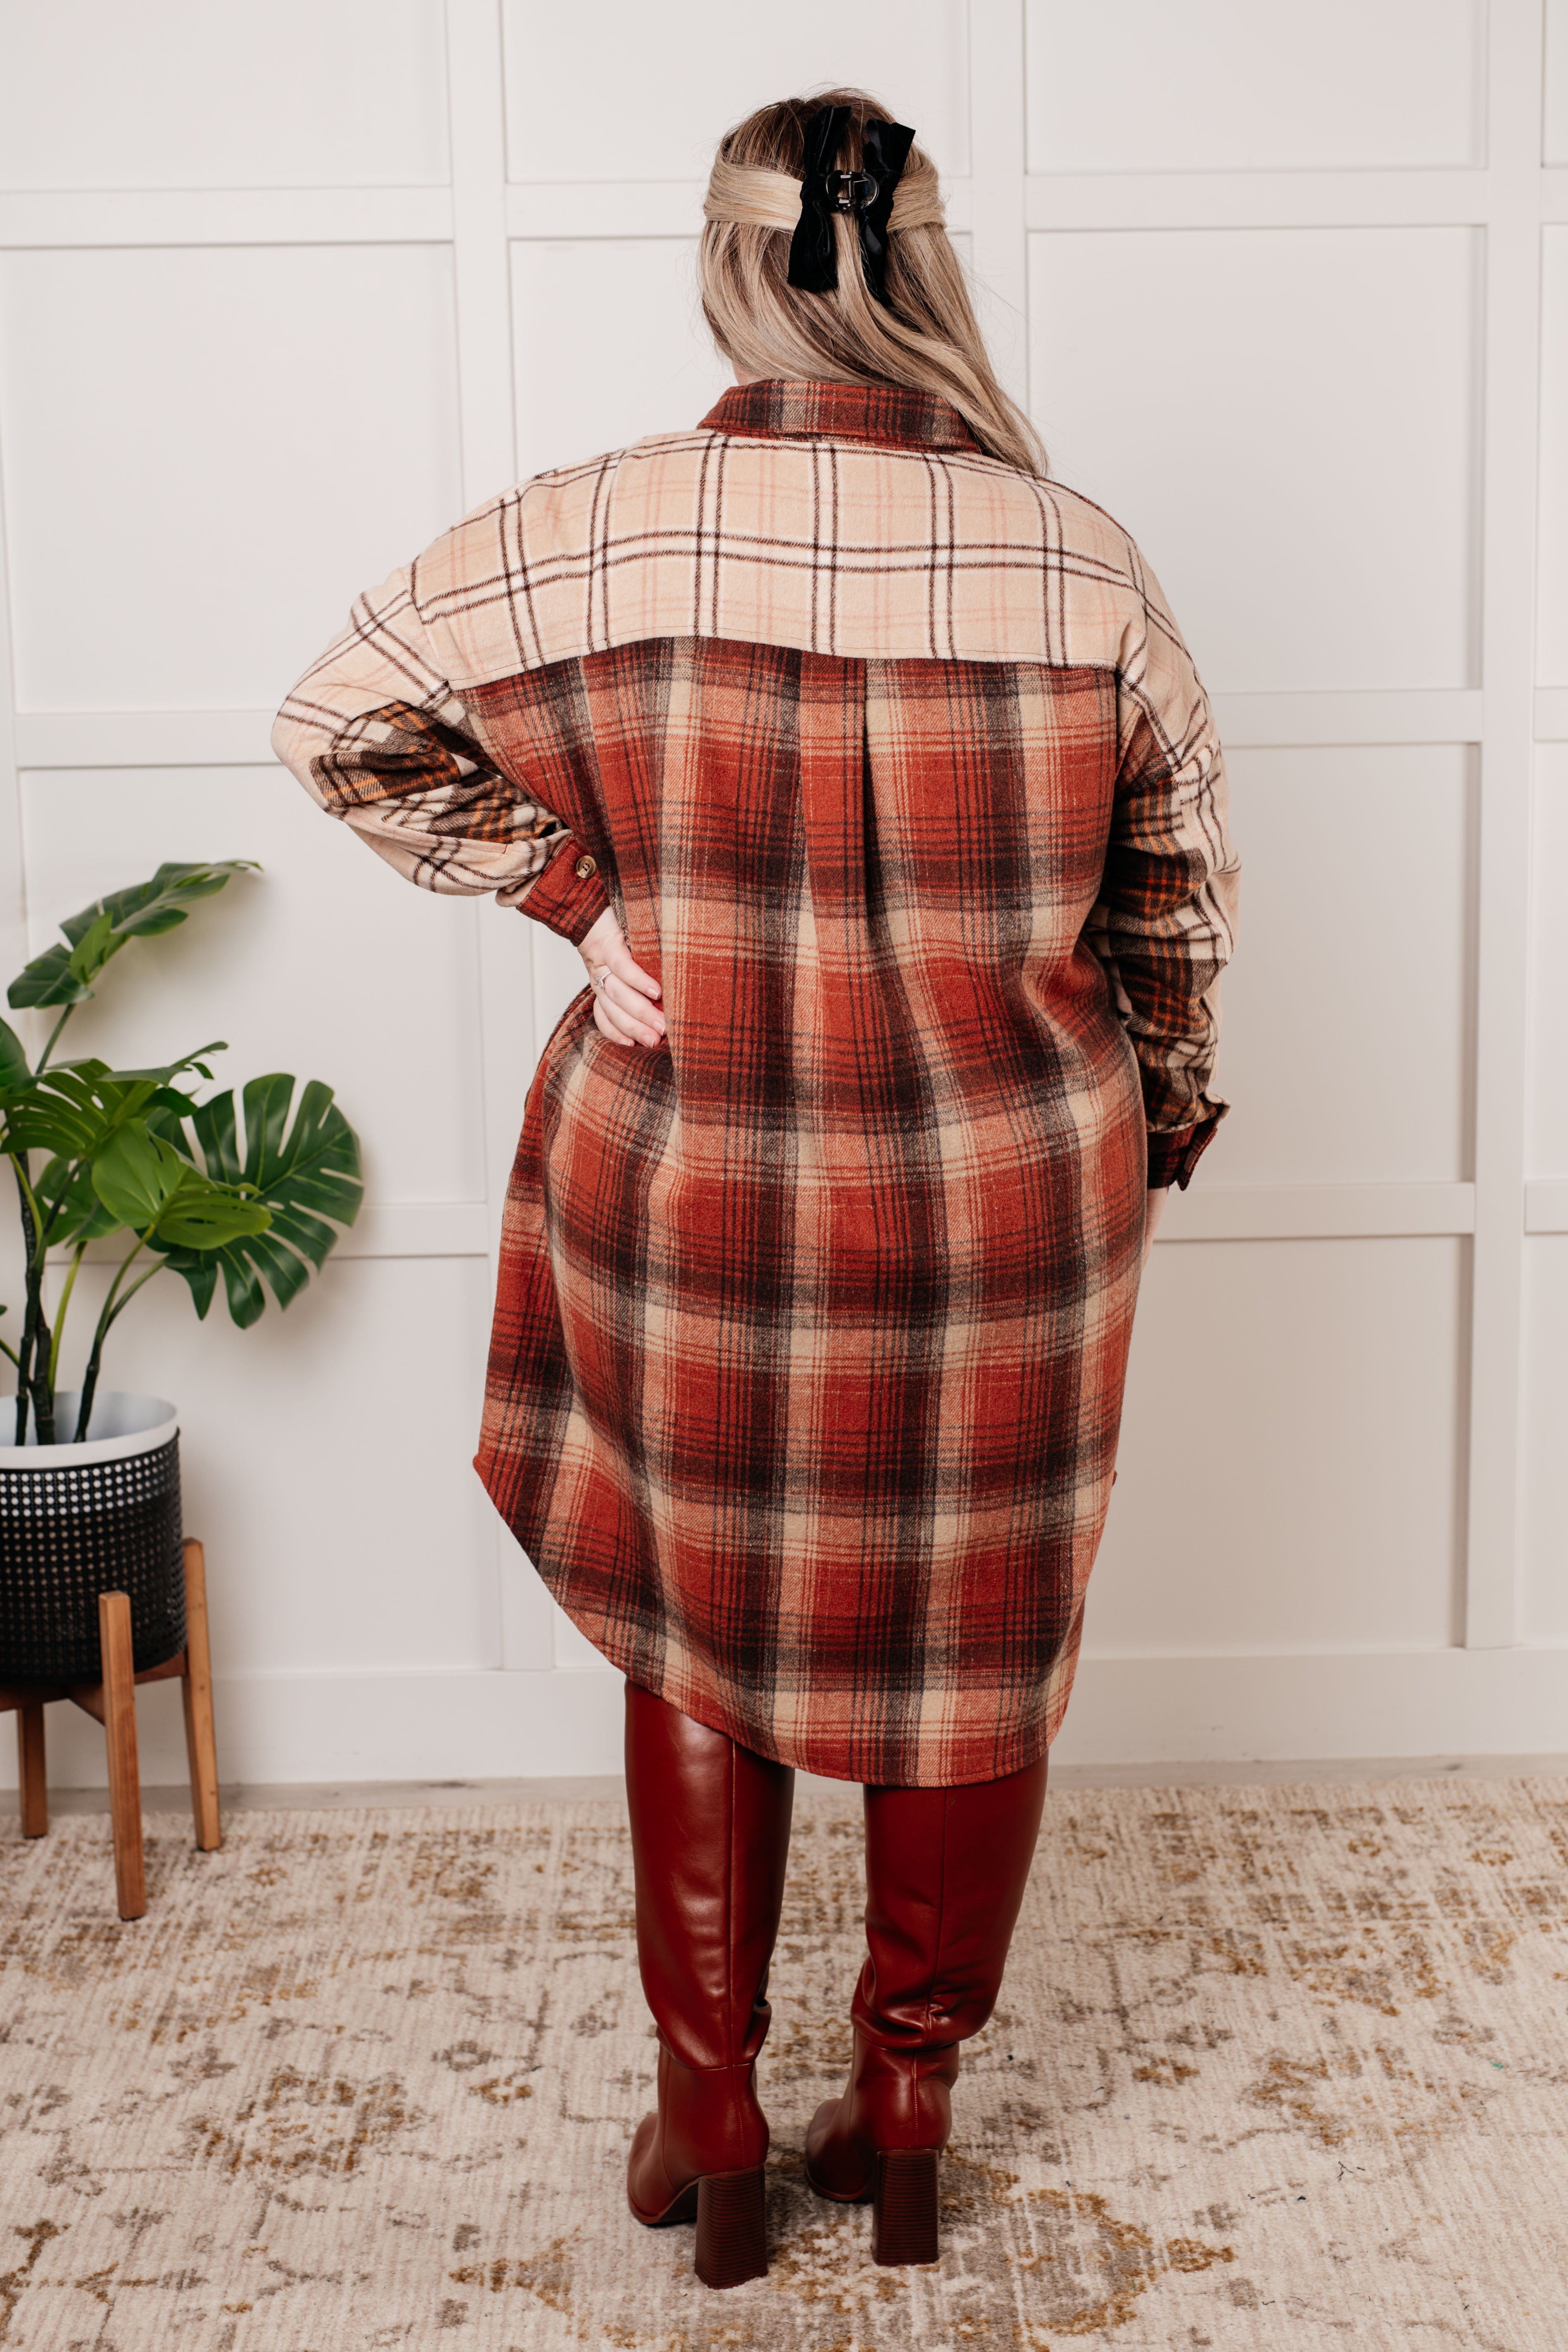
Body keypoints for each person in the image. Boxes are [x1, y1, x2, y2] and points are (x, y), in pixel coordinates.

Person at [273, 88, 1238, 2292]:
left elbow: (340, 718)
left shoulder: (582, 532)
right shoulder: (1072, 555)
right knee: (969, 1644)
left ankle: (706, 2109)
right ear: (920, 272)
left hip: (693, 1166)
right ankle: (907, 2110)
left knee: (690, 1609)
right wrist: (1155, 1123)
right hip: (1006, 1203)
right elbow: (1171, 912)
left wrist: (575, 891)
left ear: (727, 268)